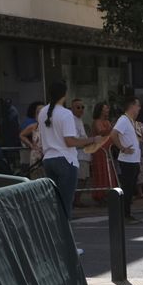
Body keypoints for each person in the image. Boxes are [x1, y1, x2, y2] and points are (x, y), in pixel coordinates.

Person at [38, 83, 84, 218]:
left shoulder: (42, 112)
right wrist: (91, 140)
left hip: (48, 159)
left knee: (54, 202)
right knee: (65, 203)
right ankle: (64, 235)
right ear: (65, 94)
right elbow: (70, 141)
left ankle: (54, 234)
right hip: (65, 159)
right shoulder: (66, 114)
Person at [111, 97, 143, 222]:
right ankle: (125, 215)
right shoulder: (124, 120)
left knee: (130, 189)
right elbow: (113, 134)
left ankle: (127, 214)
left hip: (133, 160)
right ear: (132, 106)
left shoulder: (130, 121)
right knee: (127, 188)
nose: (139, 108)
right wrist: (122, 148)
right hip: (127, 160)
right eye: (138, 105)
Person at [87, 100, 119, 202]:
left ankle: (109, 192)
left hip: (107, 150)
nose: (107, 111)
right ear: (100, 111)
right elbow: (101, 132)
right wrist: (113, 127)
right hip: (99, 151)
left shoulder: (107, 122)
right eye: (105, 109)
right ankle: (101, 194)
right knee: (102, 171)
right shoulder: (97, 122)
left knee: (109, 170)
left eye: (107, 109)